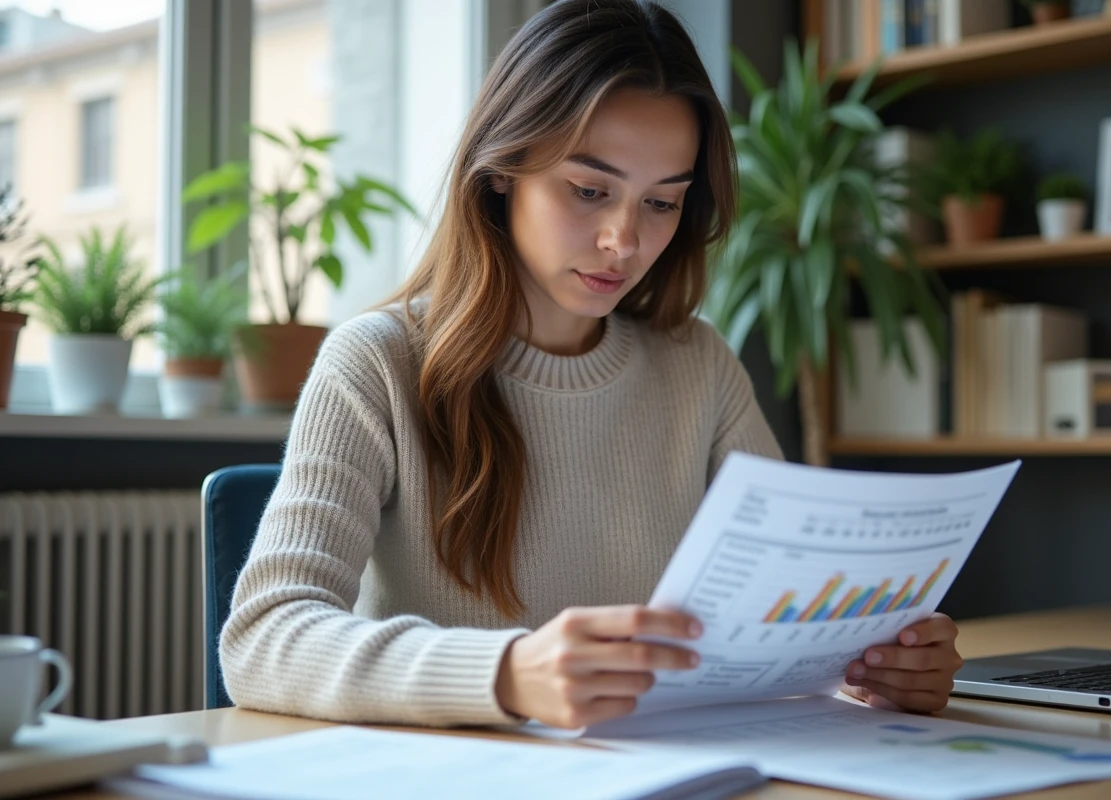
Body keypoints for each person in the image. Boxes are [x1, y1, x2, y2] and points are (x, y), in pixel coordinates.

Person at [220, 0, 963, 731]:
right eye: (588, 190)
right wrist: (508, 675)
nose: (624, 240)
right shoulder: (376, 362)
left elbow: (797, 620)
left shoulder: (697, 367)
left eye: (663, 203)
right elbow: (262, 639)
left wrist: (876, 666)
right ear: (503, 169)